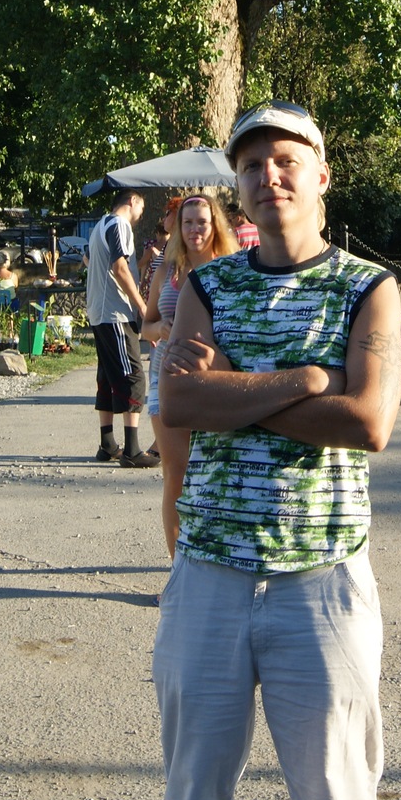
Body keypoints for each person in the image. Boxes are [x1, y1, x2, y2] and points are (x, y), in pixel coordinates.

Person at [95, 101, 401, 800]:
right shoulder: (208, 283)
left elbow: (367, 421)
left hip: (322, 580)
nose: (268, 177)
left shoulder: (367, 286)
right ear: (235, 187)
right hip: (210, 575)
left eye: (286, 160)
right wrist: (304, 377)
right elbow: (178, 404)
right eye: (251, 165)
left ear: (321, 175)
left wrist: (238, 385)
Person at [144, 194, 239, 560]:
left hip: (214, 382)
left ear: (215, 226)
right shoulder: (167, 272)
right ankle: (178, 567)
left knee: (217, 470)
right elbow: (145, 325)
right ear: (178, 228)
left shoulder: (230, 271)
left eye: (202, 222)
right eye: (188, 222)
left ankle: (217, 557)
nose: (195, 229)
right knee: (176, 473)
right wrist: (159, 329)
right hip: (166, 381)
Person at [84, 189, 156, 467]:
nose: (141, 216)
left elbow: (92, 262)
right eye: (142, 209)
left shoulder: (99, 226)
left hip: (99, 312)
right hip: (115, 313)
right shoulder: (119, 224)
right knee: (133, 376)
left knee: (107, 376)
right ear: (133, 201)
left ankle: (107, 444)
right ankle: (132, 451)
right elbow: (119, 267)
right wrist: (142, 306)